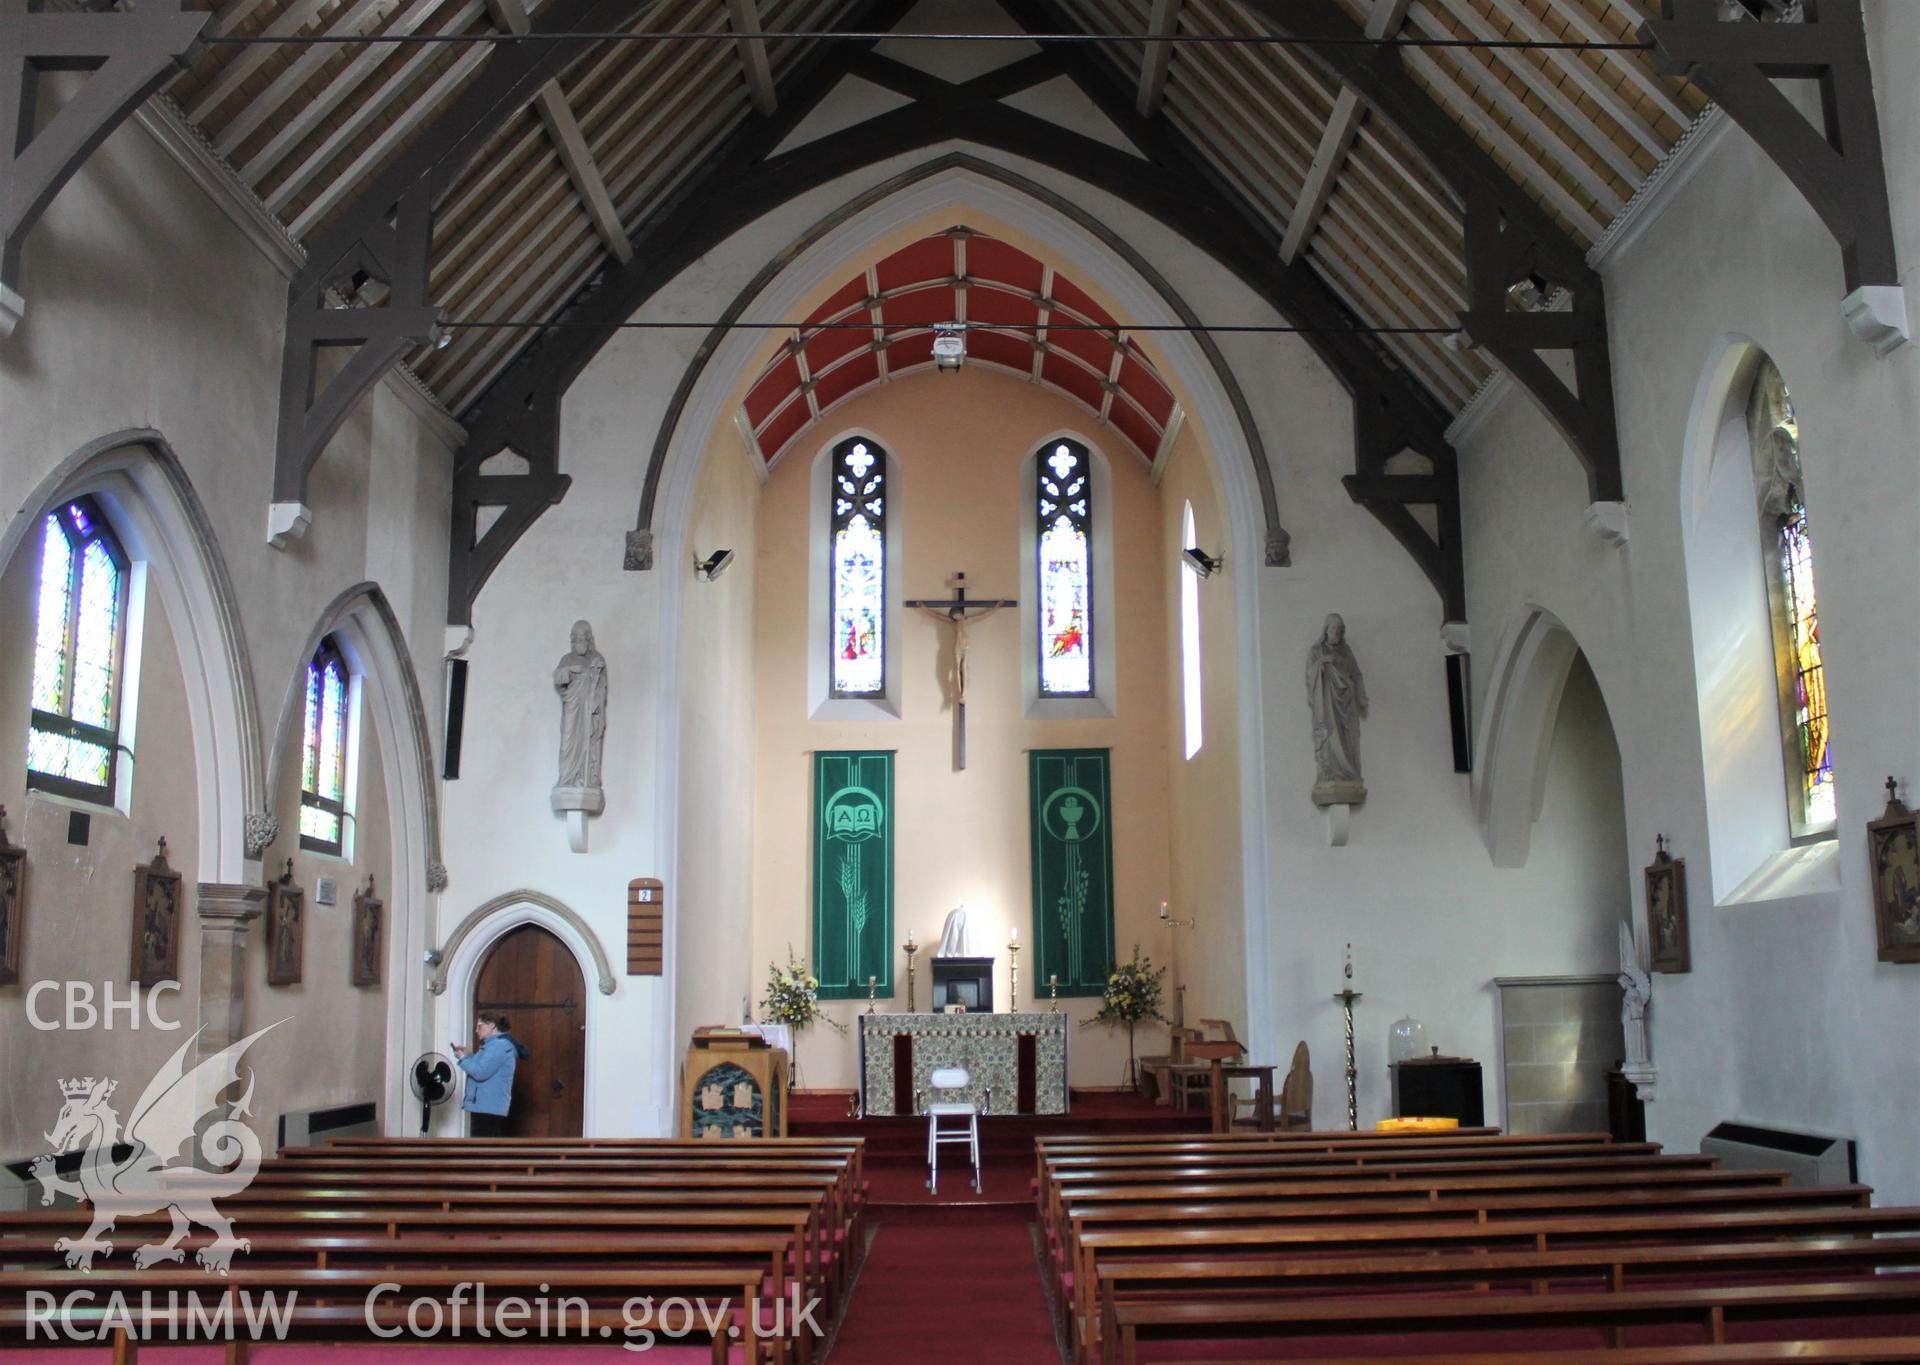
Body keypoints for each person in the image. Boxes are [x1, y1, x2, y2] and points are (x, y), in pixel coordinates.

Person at [454, 1011, 529, 1136]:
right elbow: (484, 1066)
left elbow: (480, 1072)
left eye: (480, 1026)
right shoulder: (495, 1045)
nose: (477, 1030)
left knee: (483, 1149)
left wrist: (462, 1058)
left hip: (488, 1107)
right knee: (486, 1147)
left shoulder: (498, 1046)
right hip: (487, 1106)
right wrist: (468, 1055)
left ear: (492, 1026)